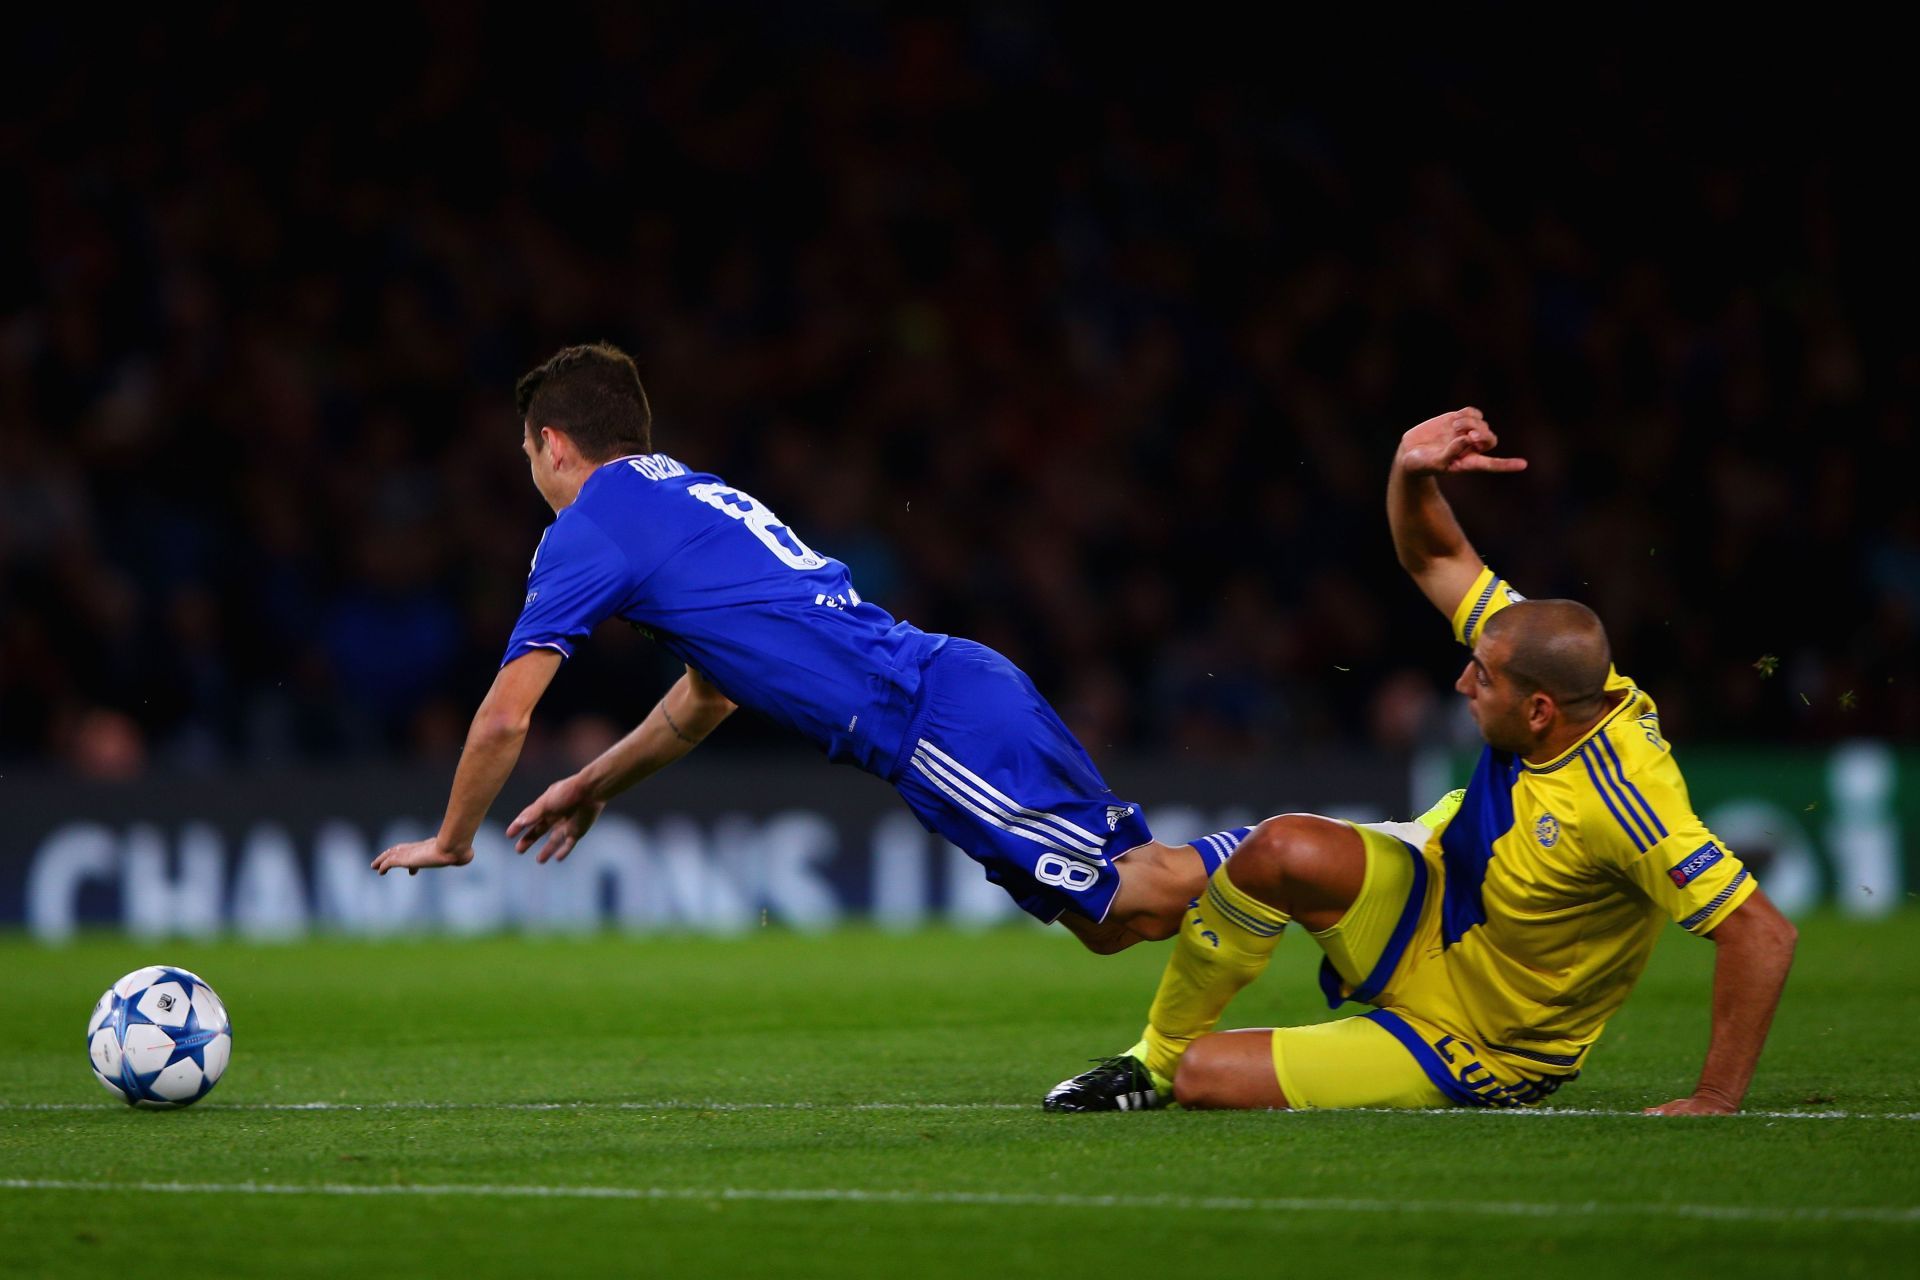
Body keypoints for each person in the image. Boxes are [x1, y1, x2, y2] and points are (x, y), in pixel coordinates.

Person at [1044, 407, 1797, 1115]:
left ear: (1540, 712)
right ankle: (1153, 1059)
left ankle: (1190, 1067)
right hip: (1430, 900)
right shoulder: (1543, 664)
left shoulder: (1624, 800)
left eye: (1484, 678)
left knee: (1212, 1079)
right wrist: (1412, 467)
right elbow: (1435, 552)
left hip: (1482, 1036)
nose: (1464, 680)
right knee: (1274, 849)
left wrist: (1716, 1097)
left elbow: (1761, 932)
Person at [371, 342, 1235, 951]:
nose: (529, 471)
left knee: (1143, 889)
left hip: (930, 720)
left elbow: (503, 719)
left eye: (527, 451)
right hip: (955, 694)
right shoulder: (686, 495)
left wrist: (452, 839)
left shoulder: (593, 526)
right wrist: (592, 784)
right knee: (1120, 925)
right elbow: (707, 697)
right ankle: (1308, 865)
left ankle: (1346, 850)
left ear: (553, 445)